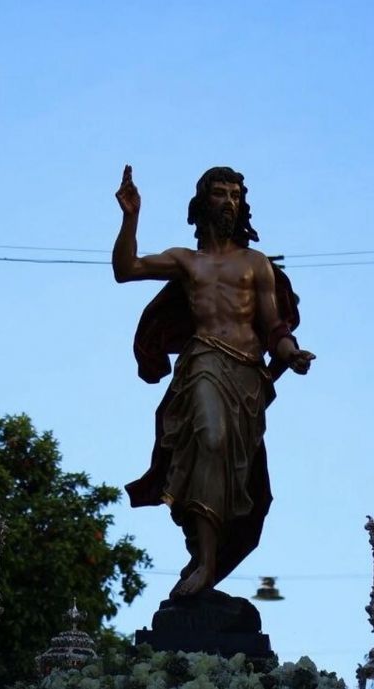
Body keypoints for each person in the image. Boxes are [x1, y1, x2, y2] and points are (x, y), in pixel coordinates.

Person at [113, 165, 315, 598]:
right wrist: (131, 216)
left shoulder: (255, 264)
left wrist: (291, 353)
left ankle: (206, 557)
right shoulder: (188, 261)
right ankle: (205, 563)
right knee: (210, 436)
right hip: (203, 361)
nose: (229, 201)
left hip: (246, 378)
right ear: (204, 202)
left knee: (240, 477)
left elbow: (274, 326)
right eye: (220, 193)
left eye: (235, 195)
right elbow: (126, 268)